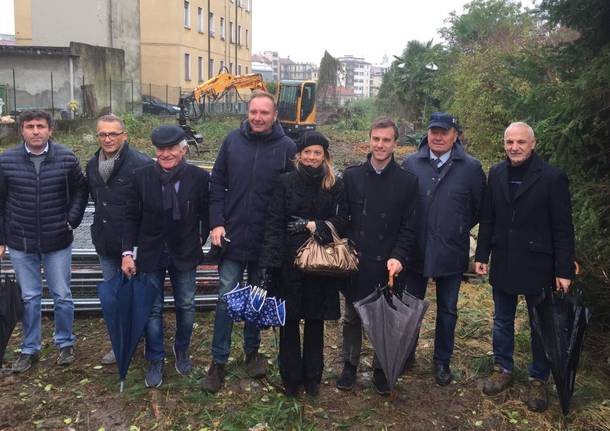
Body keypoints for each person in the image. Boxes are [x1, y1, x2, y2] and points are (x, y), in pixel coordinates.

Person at [475, 122, 575, 412]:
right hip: (504, 259)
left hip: (538, 264)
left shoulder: (552, 178)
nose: (514, 147)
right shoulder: (496, 173)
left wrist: (564, 270)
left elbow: (563, 229)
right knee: (502, 320)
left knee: (539, 324)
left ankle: (538, 378)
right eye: (509, 142)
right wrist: (482, 255)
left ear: (533, 144)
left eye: (520, 142)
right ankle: (503, 368)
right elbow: (488, 218)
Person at [203, 90, 297, 393]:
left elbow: (289, 199)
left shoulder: (287, 148)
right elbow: (216, 183)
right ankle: (218, 361)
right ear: (248, 113)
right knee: (225, 299)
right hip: (231, 238)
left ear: (274, 116)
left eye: (264, 113)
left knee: (256, 299)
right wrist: (216, 222)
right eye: (253, 112)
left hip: (264, 241)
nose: (258, 118)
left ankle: (252, 352)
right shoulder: (232, 142)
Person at [258, 131, 347, 397]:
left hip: (321, 264)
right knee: (288, 323)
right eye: (306, 152)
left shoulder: (334, 185)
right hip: (289, 265)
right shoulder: (285, 183)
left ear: (325, 156)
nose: (311, 157)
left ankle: (312, 378)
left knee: (315, 322)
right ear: (299, 155)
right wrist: (269, 264)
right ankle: (291, 379)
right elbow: (273, 224)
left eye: (316, 152)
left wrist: (314, 226)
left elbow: (344, 222)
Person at [121, 125, 209, 388]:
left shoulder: (198, 178)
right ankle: (155, 357)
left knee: (186, 304)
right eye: (161, 149)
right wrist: (127, 253)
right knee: (152, 307)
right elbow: (130, 218)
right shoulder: (141, 177)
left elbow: (207, 213)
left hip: (184, 253)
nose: (166, 154)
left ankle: (181, 348)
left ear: (183, 150)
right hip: (150, 253)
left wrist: (201, 238)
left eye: (171, 149)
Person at [401, 112, 486, 386]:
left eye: (444, 132)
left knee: (447, 309)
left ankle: (442, 361)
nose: (438, 137)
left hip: (451, 249)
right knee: (410, 306)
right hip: (415, 250)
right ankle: (405, 354)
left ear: (455, 135)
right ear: (427, 133)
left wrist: (456, 227)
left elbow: (477, 209)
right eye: (433, 131)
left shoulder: (471, 168)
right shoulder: (411, 163)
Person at [0, 110, 88, 372]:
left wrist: (71, 220)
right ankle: (29, 348)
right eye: (30, 126)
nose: (35, 131)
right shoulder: (6, 161)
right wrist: (2, 238)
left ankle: (64, 343)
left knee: (62, 295)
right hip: (20, 241)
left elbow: (80, 192)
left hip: (57, 240)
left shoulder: (65, 158)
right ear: (22, 131)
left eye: (40, 126)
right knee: (29, 297)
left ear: (51, 130)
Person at [337, 117, 418, 395]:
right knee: (352, 317)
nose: (380, 145)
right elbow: (342, 218)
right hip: (357, 260)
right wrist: (346, 247)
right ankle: (349, 365)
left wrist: (399, 257)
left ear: (395, 143)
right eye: (376, 139)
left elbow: (409, 227)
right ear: (369, 140)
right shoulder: (352, 176)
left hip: (388, 263)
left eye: (386, 140)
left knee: (386, 319)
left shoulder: (407, 182)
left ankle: (382, 367)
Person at [86, 114, 152, 365]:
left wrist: (133, 249)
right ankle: (120, 341)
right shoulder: (93, 165)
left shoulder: (140, 164)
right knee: (113, 297)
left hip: (133, 244)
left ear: (124, 135)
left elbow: (147, 208)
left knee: (137, 293)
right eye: (103, 134)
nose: (108, 138)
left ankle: (146, 339)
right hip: (105, 243)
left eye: (113, 134)